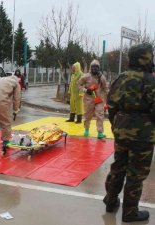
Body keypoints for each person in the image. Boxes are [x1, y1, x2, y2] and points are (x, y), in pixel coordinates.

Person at [103, 42, 155, 223]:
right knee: (136, 173)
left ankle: (110, 201)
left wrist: (116, 125)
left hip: (121, 130)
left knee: (118, 166)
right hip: (143, 134)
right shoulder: (150, 80)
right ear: (146, 58)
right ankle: (130, 212)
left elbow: (110, 106)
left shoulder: (121, 78)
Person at [0, 75, 21, 151]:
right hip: (2, 101)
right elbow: (17, 98)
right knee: (5, 122)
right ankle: (5, 142)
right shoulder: (16, 83)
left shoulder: (0, 79)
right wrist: (15, 110)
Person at [78, 59, 108, 138]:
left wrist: (105, 99)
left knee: (100, 115)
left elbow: (105, 88)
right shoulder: (86, 76)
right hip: (88, 99)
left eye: (96, 67)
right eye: (93, 67)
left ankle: (100, 132)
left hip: (99, 100)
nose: (95, 68)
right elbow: (79, 84)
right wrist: (85, 90)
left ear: (99, 68)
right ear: (91, 67)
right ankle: (87, 129)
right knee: (87, 115)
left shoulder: (102, 78)